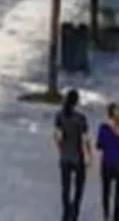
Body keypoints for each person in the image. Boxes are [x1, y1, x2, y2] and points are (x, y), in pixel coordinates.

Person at [56, 88, 94, 221]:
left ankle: (66, 213)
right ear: (76, 102)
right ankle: (75, 212)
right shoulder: (81, 118)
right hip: (78, 158)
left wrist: (61, 149)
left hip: (65, 157)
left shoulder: (60, 115)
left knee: (65, 188)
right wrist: (89, 155)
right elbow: (85, 139)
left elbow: (58, 136)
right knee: (78, 188)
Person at [98, 102, 119, 220]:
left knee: (106, 191)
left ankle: (106, 215)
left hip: (106, 163)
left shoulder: (103, 127)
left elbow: (99, 145)